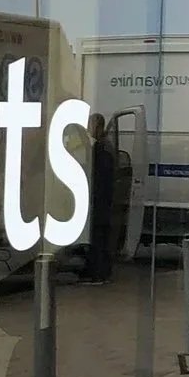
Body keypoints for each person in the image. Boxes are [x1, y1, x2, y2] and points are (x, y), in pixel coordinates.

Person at [84, 114, 118, 284]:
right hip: (104, 200)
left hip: (99, 200)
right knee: (101, 237)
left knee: (97, 237)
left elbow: (98, 177)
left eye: (90, 126)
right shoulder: (106, 146)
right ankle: (101, 271)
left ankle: (97, 273)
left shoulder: (100, 149)